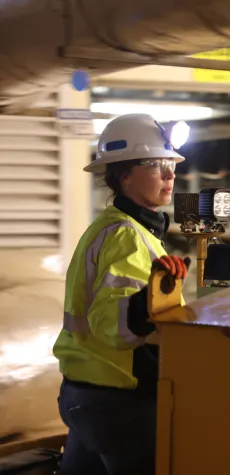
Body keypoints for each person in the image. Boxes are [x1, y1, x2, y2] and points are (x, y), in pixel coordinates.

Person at [53, 113, 190, 475]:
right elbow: (109, 322)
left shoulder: (114, 226)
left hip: (86, 393)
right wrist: (149, 300)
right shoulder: (126, 234)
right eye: (156, 165)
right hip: (119, 399)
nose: (170, 175)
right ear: (123, 175)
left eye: (171, 164)